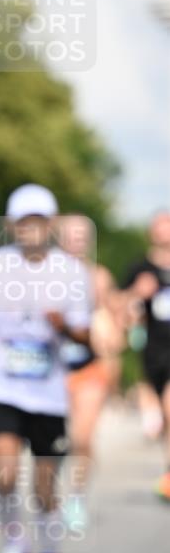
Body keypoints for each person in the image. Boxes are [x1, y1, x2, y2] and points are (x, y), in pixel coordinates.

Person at [0, 184, 92, 553]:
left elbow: (86, 334)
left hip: (48, 395)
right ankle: (12, 546)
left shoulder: (73, 272)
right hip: (4, 387)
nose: (32, 229)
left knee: (44, 489)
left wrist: (64, 325)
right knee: (5, 474)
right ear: (12, 226)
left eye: (40, 221)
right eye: (24, 222)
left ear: (52, 225)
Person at [57, 214, 127, 531]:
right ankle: (47, 494)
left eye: (82, 235)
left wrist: (113, 336)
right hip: (52, 369)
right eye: (70, 234)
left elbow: (117, 322)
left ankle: (76, 497)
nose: (76, 240)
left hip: (89, 367)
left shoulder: (99, 277)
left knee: (82, 437)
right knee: (53, 439)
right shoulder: (42, 275)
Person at [123, 211, 170, 501]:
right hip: (151, 353)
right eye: (160, 226)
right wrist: (137, 296)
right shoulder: (140, 269)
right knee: (164, 416)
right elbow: (122, 309)